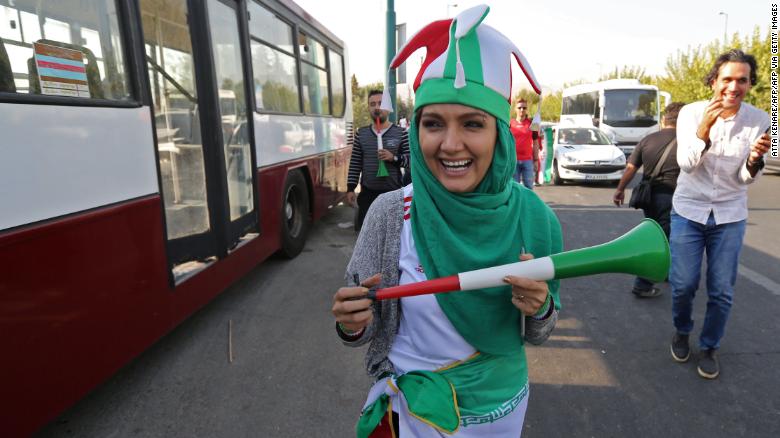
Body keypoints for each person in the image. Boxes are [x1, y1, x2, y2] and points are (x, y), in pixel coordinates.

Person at [331, 6, 562, 436]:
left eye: (472, 124)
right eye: (433, 123)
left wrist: (540, 307)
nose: (450, 144)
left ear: (498, 132)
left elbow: (539, 331)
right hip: (411, 414)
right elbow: (360, 328)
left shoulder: (535, 218)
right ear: (416, 131)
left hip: (498, 414)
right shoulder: (388, 214)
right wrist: (350, 323)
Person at [669, 49, 770, 380]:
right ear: (714, 81)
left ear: (750, 84)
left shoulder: (758, 120)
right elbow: (686, 164)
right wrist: (705, 130)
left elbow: (745, 177)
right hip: (689, 210)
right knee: (683, 284)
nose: (733, 87)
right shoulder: (691, 113)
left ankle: (710, 345)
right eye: (727, 79)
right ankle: (682, 330)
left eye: (742, 80)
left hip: (729, 213)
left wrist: (755, 159)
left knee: (722, 290)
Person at [613, 102, 685, 298]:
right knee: (664, 240)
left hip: (648, 197)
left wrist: (620, 190)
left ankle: (665, 272)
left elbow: (630, 169)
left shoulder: (648, 139)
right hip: (671, 198)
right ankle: (643, 284)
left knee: (657, 235)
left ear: (664, 120)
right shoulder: (687, 142)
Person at [347, 90, 410, 231]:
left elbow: (410, 161)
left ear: (388, 108)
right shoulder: (361, 134)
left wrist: (393, 158)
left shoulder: (401, 133)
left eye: (381, 103)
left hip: (393, 194)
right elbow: (355, 163)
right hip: (368, 194)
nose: (377, 107)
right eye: (372, 104)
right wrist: (350, 188)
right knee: (366, 236)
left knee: (393, 235)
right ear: (369, 108)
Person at [510, 98, 540, 189]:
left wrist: (535, 160)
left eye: (524, 108)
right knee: (515, 187)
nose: (522, 110)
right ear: (515, 109)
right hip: (513, 161)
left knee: (528, 187)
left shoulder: (532, 124)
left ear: (526, 109)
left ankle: (529, 203)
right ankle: (516, 203)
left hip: (528, 161)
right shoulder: (510, 123)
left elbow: (536, 143)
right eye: (519, 108)